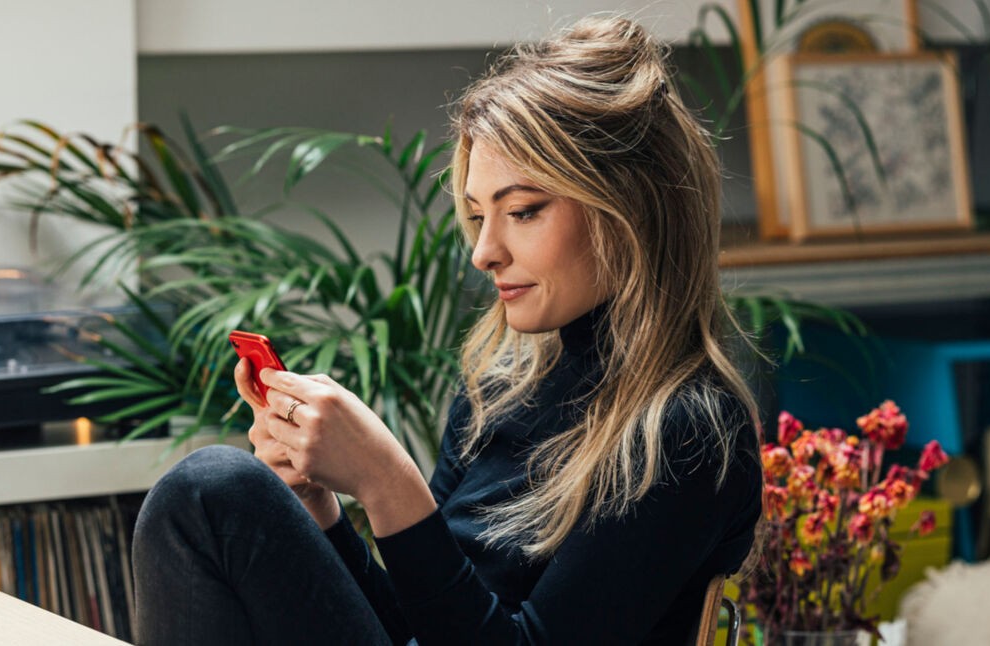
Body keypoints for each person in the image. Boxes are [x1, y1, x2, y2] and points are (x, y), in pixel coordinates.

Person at [131, 15, 763, 646]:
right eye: (477, 214)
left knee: (212, 487)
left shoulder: (689, 431)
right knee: (213, 495)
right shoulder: (499, 393)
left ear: (629, 209)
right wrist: (320, 508)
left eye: (521, 211)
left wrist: (386, 481)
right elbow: (414, 628)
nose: (483, 252)